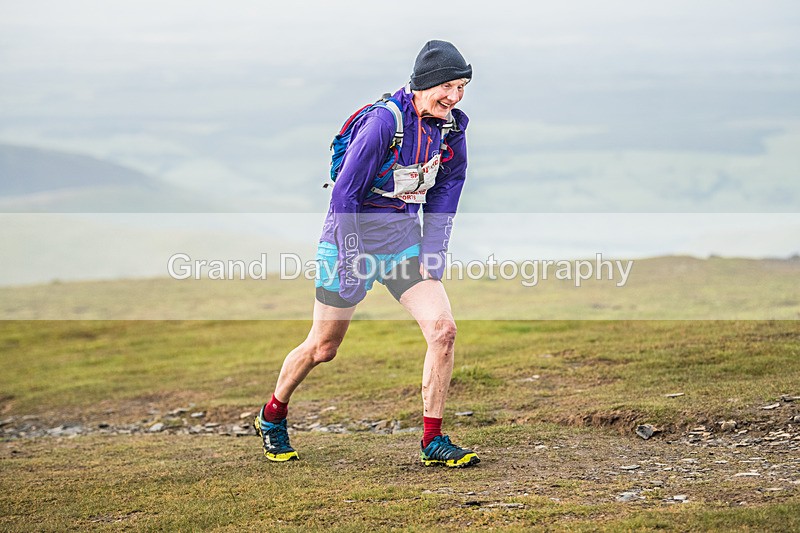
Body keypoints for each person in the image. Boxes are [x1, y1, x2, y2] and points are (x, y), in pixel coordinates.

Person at [254, 40, 479, 468]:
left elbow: (447, 192)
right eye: (447, 86)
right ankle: (272, 414)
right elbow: (344, 195)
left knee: (444, 330)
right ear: (424, 84)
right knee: (323, 348)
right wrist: (352, 258)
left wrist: (433, 253)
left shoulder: (451, 130)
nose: (454, 96)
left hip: (400, 243)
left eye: (462, 85)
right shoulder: (383, 124)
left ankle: (432, 440)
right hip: (346, 240)